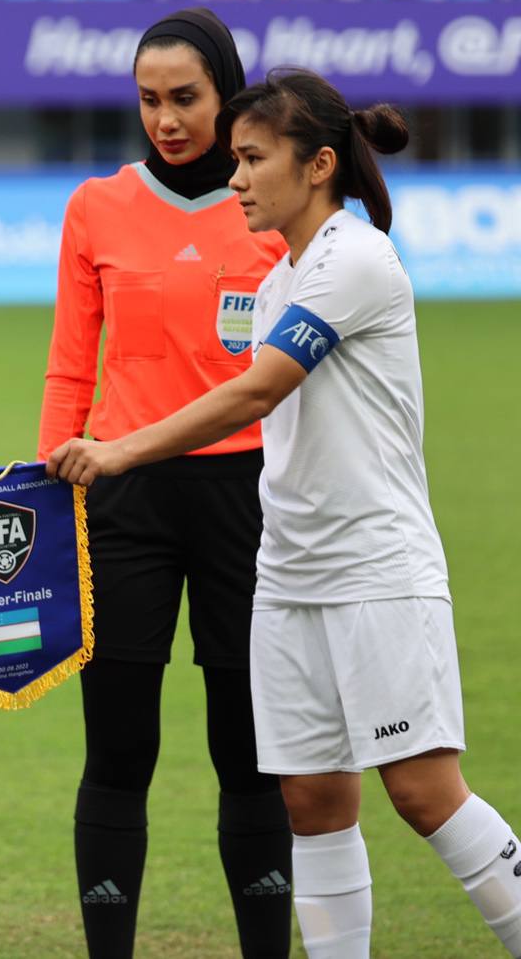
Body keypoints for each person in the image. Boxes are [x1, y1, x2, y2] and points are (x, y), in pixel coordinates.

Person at [48, 68, 521, 959]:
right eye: (234, 160)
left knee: (422, 792)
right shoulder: (282, 282)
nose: (234, 179)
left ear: (318, 165)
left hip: (375, 569)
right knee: (312, 801)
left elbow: (256, 391)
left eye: (253, 159)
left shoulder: (355, 259)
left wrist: (118, 450)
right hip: (289, 576)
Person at [37, 8, 293, 958]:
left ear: (228, 91)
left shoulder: (274, 207)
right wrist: (53, 488)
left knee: (250, 747)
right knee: (118, 748)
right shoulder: (96, 205)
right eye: (149, 100)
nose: (166, 119)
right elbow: (72, 362)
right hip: (124, 498)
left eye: (185, 97)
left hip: (251, 500)